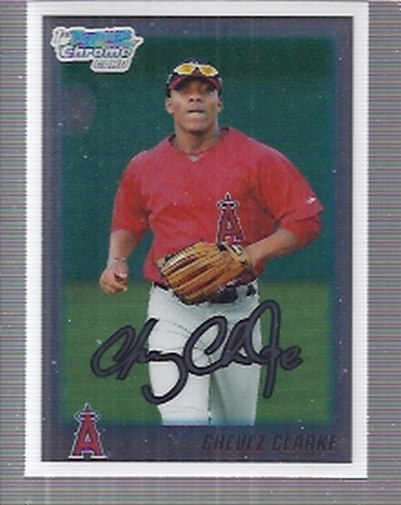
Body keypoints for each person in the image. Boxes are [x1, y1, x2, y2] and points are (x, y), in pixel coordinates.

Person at [99, 58, 323, 426]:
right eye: (184, 91)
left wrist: (251, 253)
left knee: (234, 432)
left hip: (239, 313)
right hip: (171, 311)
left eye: (206, 91)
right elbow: (128, 221)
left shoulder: (259, 159)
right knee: (182, 424)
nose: (195, 98)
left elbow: (305, 220)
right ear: (169, 104)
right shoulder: (144, 165)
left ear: (219, 103)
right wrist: (116, 260)